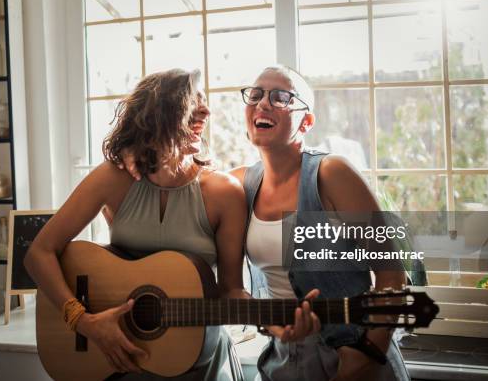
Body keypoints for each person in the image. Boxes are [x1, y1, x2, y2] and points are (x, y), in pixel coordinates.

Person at [124, 65, 410, 381]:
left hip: (354, 356)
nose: (263, 103)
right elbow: (168, 183)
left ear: (307, 121)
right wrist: (129, 152)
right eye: (256, 94)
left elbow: (393, 272)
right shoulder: (238, 185)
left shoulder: (332, 175)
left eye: (281, 97)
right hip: (283, 359)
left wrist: (369, 352)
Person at [24, 69, 248, 380]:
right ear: (156, 117)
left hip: (201, 365)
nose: (207, 111)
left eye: (206, 102)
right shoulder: (114, 178)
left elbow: (230, 292)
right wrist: (83, 320)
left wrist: (271, 316)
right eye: (193, 101)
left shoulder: (224, 193)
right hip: (121, 364)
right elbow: (39, 253)